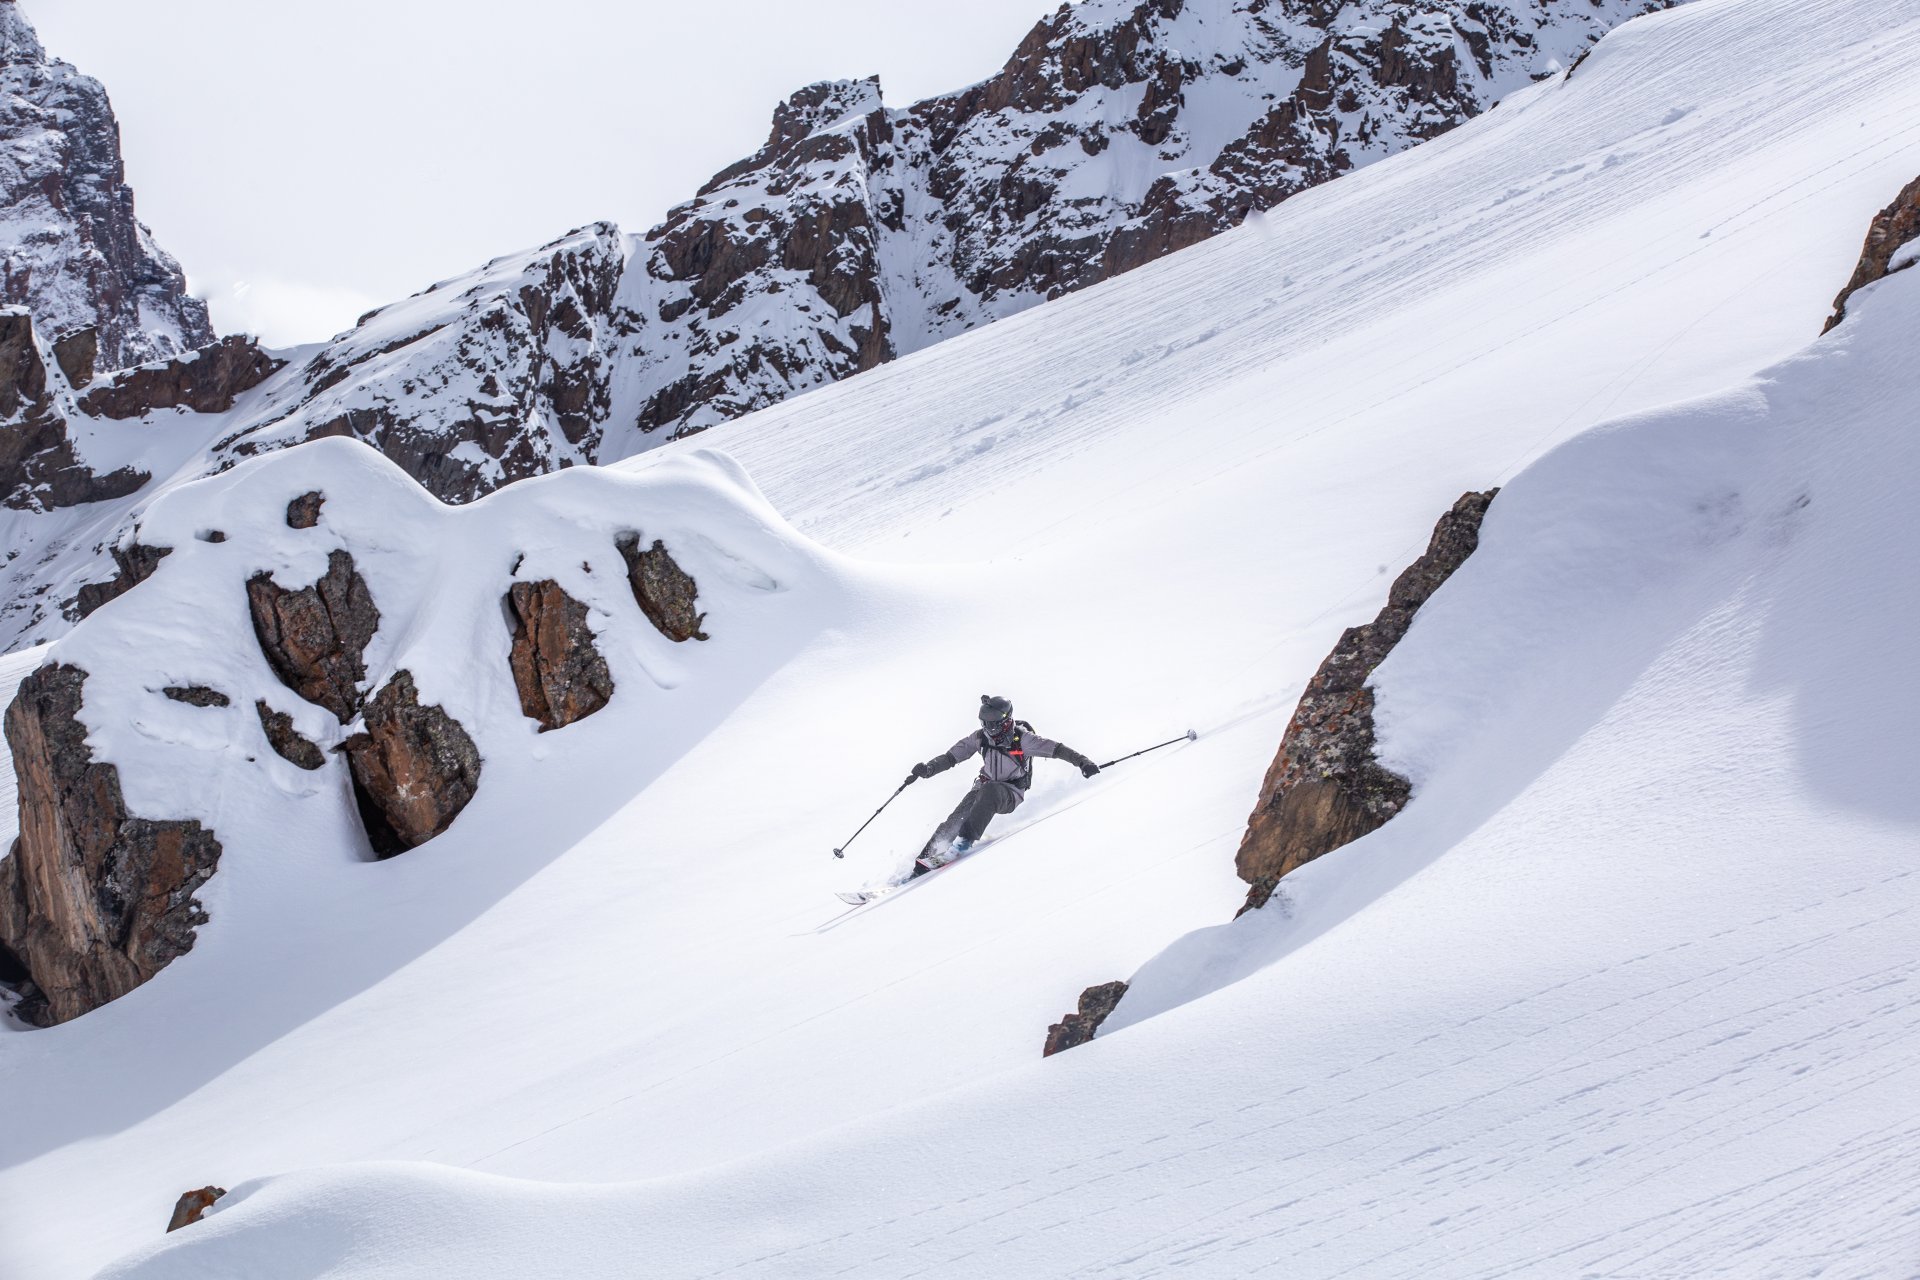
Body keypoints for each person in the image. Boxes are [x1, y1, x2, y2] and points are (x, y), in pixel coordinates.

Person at [904, 694, 1099, 877]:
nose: (989, 728)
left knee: (989, 792)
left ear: (1005, 722)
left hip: (1010, 792)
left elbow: (1057, 749)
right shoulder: (980, 737)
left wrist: (1083, 762)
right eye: (985, 723)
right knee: (954, 820)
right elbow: (952, 757)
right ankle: (920, 867)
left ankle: (963, 843)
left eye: (993, 723)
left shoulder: (1023, 739)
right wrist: (929, 768)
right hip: (984, 786)